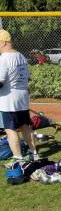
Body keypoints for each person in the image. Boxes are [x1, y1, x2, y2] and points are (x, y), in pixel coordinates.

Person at [0, 29, 39, 165]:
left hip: (9, 99)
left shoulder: (3, 59)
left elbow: (0, 81)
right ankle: (34, 153)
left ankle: (18, 158)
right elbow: (26, 77)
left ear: (3, 42)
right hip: (22, 97)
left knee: (10, 129)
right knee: (25, 126)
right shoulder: (21, 56)